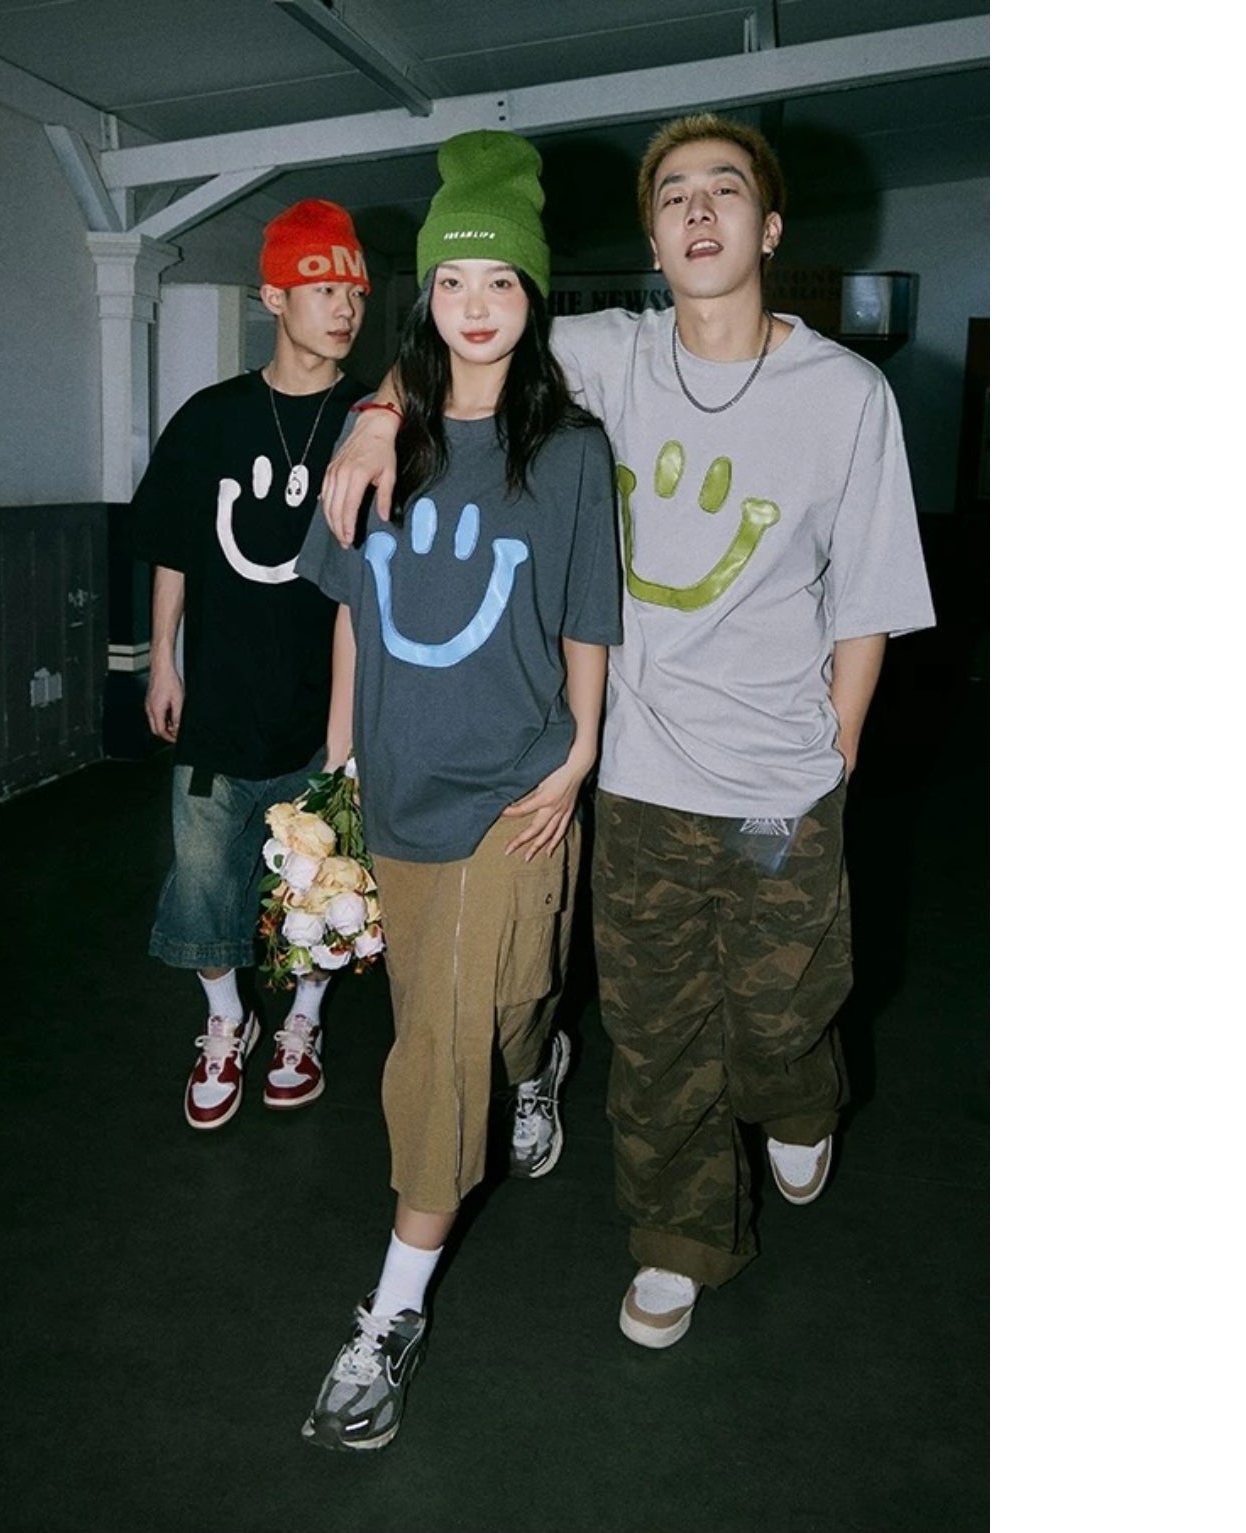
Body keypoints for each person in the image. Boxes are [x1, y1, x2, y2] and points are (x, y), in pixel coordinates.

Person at [319, 115, 936, 1349]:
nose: (699, 210)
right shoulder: (609, 353)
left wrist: (839, 755)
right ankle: (678, 1241)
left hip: (782, 780)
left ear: (770, 228)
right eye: (673, 196)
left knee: (778, 1015)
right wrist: (378, 415)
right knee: (657, 1040)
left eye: (726, 190)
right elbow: (464, 326)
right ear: (653, 243)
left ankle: (799, 1093)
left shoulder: (848, 396)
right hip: (641, 778)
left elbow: (868, 601)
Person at [293, 129, 621, 1449]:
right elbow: (350, 608)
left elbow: (587, 617)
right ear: (424, 297)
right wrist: (337, 763)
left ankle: (388, 1316)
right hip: (402, 784)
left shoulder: (574, 449)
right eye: (450, 281)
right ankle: (541, 1056)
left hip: (517, 788)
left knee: (434, 1052)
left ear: (533, 295)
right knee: (483, 1007)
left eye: (498, 280)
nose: (475, 306)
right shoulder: (379, 444)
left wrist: (579, 752)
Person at [131, 199, 372, 1130]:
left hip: (327, 706)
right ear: (274, 297)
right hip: (220, 703)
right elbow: (175, 546)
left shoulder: (371, 420)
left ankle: (302, 1022)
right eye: (324, 288)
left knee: (324, 885)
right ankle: (227, 1021)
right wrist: (162, 660)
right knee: (201, 881)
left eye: (354, 290)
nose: (344, 306)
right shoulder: (213, 417)